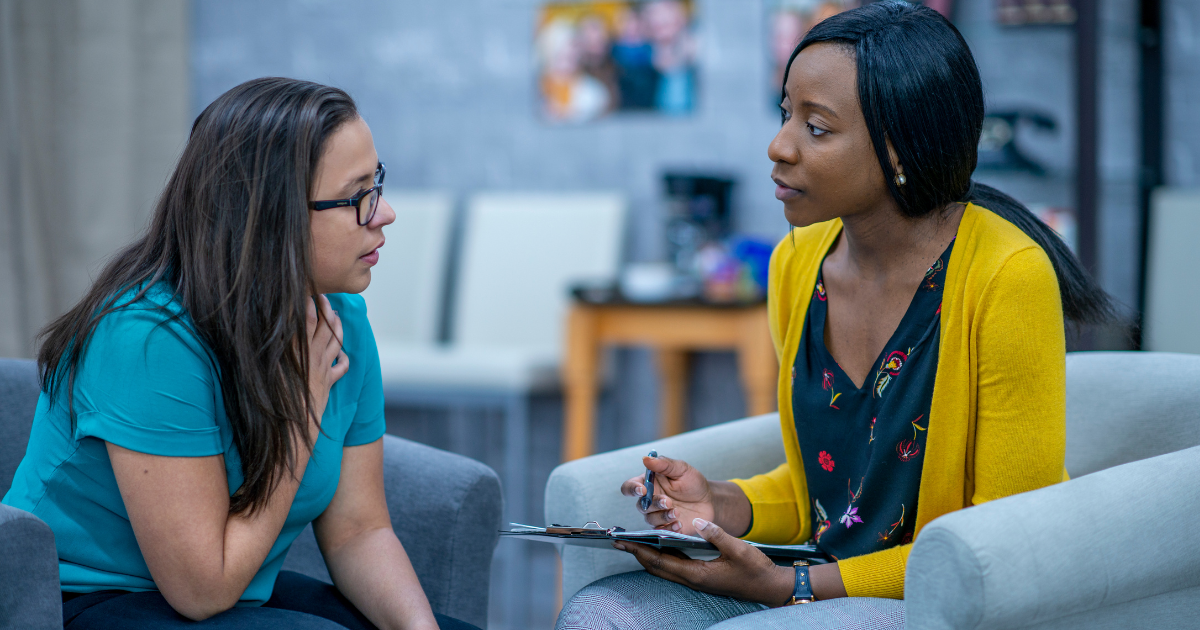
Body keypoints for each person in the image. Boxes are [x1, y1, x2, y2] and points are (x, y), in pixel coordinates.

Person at [556, 3, 1112, 629]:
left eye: (816, 128)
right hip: (816, 579)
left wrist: (788, 586)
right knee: (604, 611)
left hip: (949, 601)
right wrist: (719, 503)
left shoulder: (1008, 276)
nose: (778, 145)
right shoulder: (797, 262)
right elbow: (822, 494)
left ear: (901, 149)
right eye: (784, 113)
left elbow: (1001, 544)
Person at [2, 77, 478, 630]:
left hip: (236, 595)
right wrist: (301, 414)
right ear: (270, 215)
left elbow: (359, 530)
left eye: (378, 183)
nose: (384, 213)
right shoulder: (146, 340)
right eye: (357, 197)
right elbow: (203, 589)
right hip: (79, 600)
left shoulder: (338, 318)